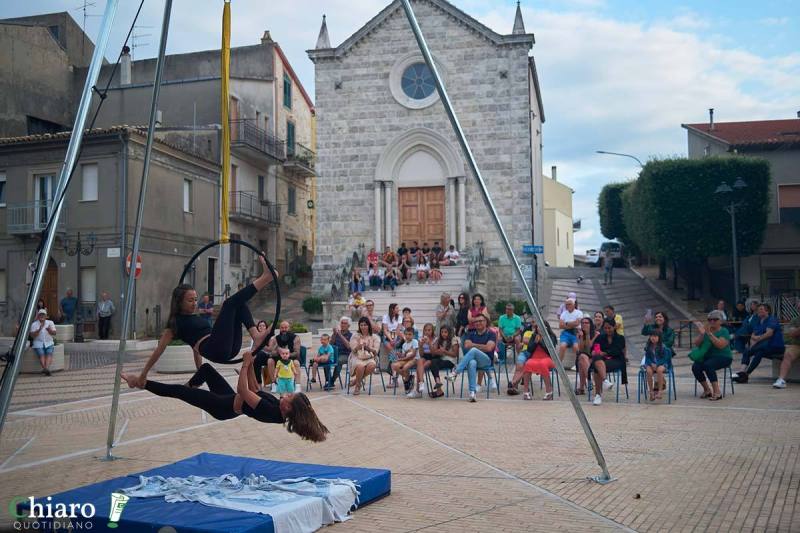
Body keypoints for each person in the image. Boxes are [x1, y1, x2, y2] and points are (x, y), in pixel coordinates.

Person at [127, 256, 275, 390]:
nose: (194, 303)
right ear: (179, 302)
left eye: (195, 299)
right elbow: (158, 351)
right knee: (229, 303)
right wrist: (143, 375)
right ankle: (266, 278)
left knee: (238, 303)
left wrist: (200, 372)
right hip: (216, 348)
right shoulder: (174, 324)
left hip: (228, 348)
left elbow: (195, 349)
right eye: (190, 300)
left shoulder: (194, 317)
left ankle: (256, 335)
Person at [122, 351, 328, 442]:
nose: (286, 394)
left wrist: (246, 363)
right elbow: (256, 389)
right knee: (206, 369)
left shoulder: (271, 411)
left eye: (289, 397)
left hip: (222, 407)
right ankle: (190, 389)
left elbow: (244, 392)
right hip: (229, 399)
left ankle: (140, 382)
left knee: (177, 392)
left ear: (288, 408)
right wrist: (250, 367)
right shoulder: (278, 409)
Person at [446, 314, 497, 402]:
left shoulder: (491, 334)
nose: (478, 323)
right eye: (476, 321)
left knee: (473, 350)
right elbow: (466, 345)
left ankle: (455, 372)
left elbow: (489, 348)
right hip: (475, 361)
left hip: (487, 361)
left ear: (485, 322)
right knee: (471, 362)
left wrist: (474, 346)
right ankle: (472, 393)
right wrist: (481, 346)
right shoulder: (471, 334)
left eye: (480, 321)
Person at [733, 303, 785, 383]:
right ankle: (743, 372)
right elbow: (753, 335)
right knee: (755, 352)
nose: (758, 311)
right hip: (763, 347)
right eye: (758, 310)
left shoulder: (772, 319)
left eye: (761, 309)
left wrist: (758, 339)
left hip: (775, 346)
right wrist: (753, 344)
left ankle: (744, 374)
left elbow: (769, 333)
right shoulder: (759, 321)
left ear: (767, 311)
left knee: (756, 350)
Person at [690, 310, 732, 401]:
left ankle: (717, 392)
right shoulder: (705, 331)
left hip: (723, 356)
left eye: (715, 319)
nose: (712, 321)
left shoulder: (724, 331)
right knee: (695, 367)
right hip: (708, 357)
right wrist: (702, 334)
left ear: (720, 321)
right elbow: (697, 344)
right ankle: (707, 390)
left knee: (708, 365)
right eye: (710, 320)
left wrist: (709, 334)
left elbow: (720, 345)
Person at [590, 318, 626, 406]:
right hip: (602, 360)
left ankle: (598, 395)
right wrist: (595, 351)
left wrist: (605, 353)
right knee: (597, 361)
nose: (607, 330)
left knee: (596, 367)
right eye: (605, 328)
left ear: (614, 327)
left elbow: (618, 350)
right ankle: (605, 381)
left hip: (616, 359)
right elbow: (595, 347)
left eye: (609, 328)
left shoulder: (620, 338)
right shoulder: (601, 337)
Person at [521, 327, 556, 401]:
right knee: (528, 363)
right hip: (534, 357)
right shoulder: (534, 336)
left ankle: (549, 391)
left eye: (542, 327)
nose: (540, 329)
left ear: (546, 328)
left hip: (547, 358)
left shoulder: (551, 336)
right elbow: (529, 349)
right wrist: (535, 342)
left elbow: (550, 351)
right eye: (538, 327)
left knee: (542, 364)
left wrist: (540, 342)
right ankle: (526, 391)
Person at [267, 321, 303, 393]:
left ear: (289, 328)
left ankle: (298, 385)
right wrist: (278, 352)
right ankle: (274, 384)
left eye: (286, 327)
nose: (284, 329)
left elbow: (297, 353)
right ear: (279, 328)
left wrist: (286, 354)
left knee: (296, 362)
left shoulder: (295, 338)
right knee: (270, 361)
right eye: (282, 328)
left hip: (292, 358)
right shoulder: (275, 339)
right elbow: (271, 352)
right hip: (279, 358)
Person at [349, 316, 380, 395]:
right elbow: (353, 350)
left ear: (368, 326)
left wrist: (368, 348)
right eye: (361, 325)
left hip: (370, 356)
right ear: (359, 326)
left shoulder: (375, 337)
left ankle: (356, 381)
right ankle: (358, 386)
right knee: (360, 366)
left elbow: (376, 352)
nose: (363, 327)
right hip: (357, 356)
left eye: (365, 325)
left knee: (372, 365)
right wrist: (359, 346)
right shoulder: (355, 336)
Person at [773, 302, 800, 389]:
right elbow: (792, 333)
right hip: (797, 345)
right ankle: (781, 380)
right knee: (788, 354)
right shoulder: (795, 320)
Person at [428, 325, 459, 397]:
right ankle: (438, 383)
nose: (443, 334)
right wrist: (431, 344)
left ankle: (439, 390)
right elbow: (433, 353)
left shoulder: (454, 339)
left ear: (449, 332)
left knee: (434, 362)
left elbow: (455, 354)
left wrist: (444, 351)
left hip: (451, 361)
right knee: (433, 362)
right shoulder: (439, 340)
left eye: (445, 332)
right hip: (442, 360)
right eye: (442, 332)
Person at [641, 330, 673, 401]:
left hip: (662, 364)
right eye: (651, 336)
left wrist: (657, 364)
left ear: (659, 338)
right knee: (648, 371)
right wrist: (651, 364)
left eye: (655, 336)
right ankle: (651, 392)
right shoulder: (648, 347)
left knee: (659, 370)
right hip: (651, 364)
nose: (653, 338)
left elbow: (665, 359)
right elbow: (647, 358)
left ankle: (660, 392)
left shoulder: (663, 347)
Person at [325, 317, 353, 391]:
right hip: (335, 354)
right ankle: (328, 380)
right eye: (342, 323)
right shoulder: (336, 334)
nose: (343, 325)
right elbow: (330, 345)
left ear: (348, 326)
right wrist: (334, 334)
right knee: (325, 359)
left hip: (346, 355)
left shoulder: (351, 335)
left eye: (345, 323)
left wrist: (340, 335)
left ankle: (332, 381)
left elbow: (348, 346)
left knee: (338, 361)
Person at [391, 327, 420, 396]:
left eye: (410, 334)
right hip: (406, 359)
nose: (407, 336)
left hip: (415, 359)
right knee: (394, 365)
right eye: (406, 334)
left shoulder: (415, 342)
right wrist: (400, 355)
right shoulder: (404, 345)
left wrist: (402, 359)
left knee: (405, 368)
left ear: (413, 335)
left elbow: (413, 355)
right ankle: (409, 379)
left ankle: (407, 383)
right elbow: (404, 355)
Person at [575, 316, 599, 395]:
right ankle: (590, 380)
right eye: (583, 323)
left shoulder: (596, 334)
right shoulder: (580, 334)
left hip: (594, 356)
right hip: (583, 357)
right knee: (582, 357)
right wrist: (582, 337)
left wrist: (588, 334)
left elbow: (590, 349)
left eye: (586, 323)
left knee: (582, 360)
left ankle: (582, 388)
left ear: (590, 324)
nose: (584, 324)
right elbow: (581, 349)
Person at [30, 309, 57, 376]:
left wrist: (49, 330)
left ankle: (46, 369)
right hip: (38, 343)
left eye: (43, 315)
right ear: (38, 316)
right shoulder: (34, 324)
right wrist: (38, 330)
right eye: (40, 315)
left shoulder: (50, 322)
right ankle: (46, 369)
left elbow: (54, 333)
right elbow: (32, 336)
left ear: (46, 316)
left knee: (49, 353)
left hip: (49, 342)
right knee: (41, 354)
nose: (42, 316)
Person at [558, 298, 582, 369]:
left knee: (576, 347)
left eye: (569, 304)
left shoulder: (579, 312)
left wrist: (566, 323)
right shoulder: (564, 313)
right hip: (566, 333)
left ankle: (577, 364)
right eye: (566, 304)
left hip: (576, 333)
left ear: (574, 305)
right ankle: (559, 364)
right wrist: (572, 324)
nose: (567, 306)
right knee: (562, 346)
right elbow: (560, 325)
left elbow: (577, 323)